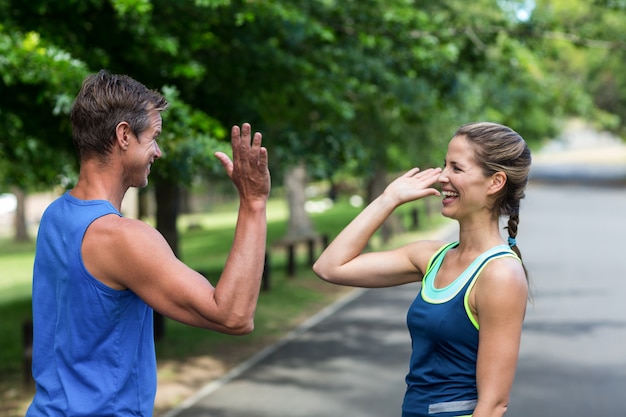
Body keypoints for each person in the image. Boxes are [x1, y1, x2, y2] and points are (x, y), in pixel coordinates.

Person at [26, 70, 271, 417]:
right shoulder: (121, 237)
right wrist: (253, 203)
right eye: (153, 137)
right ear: (124, 135)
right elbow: (233, 315)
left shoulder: (57, 216)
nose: (158, 151)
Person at [313, 122, 531, 417]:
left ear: (495, 182)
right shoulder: (431, 256)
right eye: (444, 165)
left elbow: (493, 406)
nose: (443, 176)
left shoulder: (500, 274)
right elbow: (330, 267)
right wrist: (389, 199)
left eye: (457, 168)